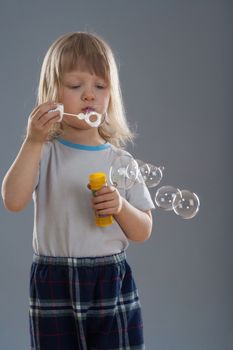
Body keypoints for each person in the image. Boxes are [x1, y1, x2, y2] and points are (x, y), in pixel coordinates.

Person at [1, 32, 155, 350]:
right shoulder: (43, 152)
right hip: (53, 279)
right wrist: (32, 141)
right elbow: (13, 201)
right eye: (75, 86)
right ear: (52, 93)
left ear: (112, 95)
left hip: (109, 278)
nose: (89, 96)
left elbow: (143, 231)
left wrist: (121, 208)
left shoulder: (121, 160)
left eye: (100, 86)